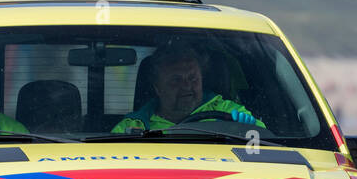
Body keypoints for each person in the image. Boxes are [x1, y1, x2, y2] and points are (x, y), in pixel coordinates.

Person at [112, 43, 262, 134]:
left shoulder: (228, 113)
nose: (186, 86)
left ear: (202, 79)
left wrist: (246, 129)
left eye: (193, 78)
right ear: (157, 88)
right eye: (176, 80)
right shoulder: (133, 126)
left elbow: (266, 141)